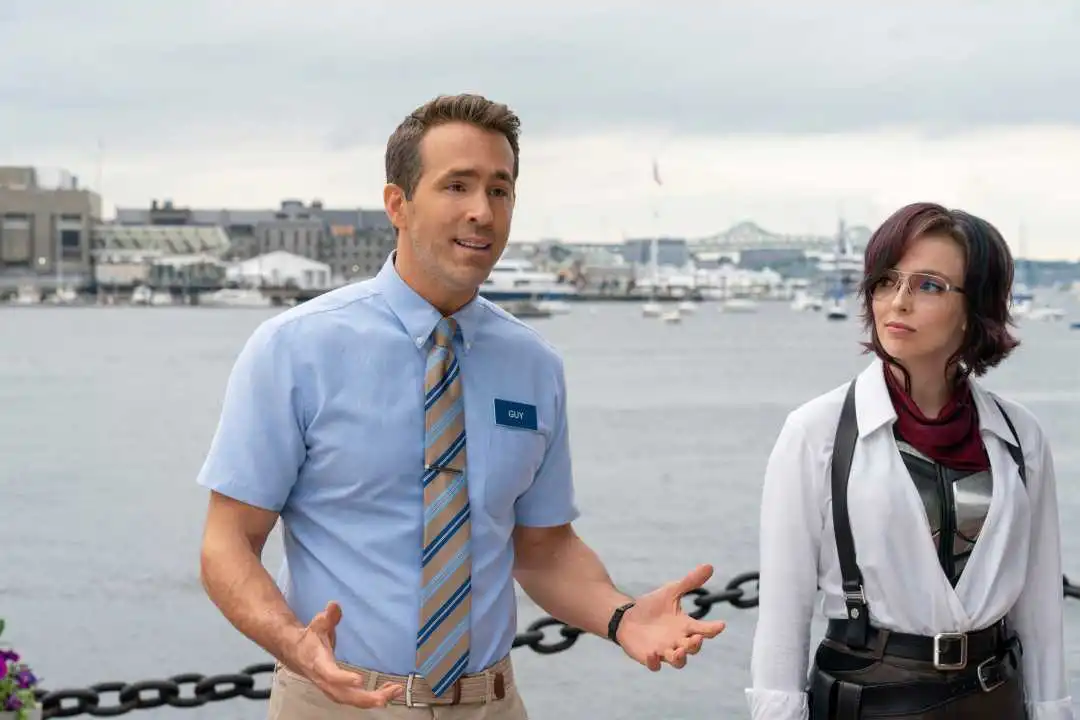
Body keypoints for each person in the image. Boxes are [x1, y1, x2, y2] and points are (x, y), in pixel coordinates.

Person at [196, 93, 726, 719]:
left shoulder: (534, 364)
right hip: (339, 702)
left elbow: (543, 548)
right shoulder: (294, 350)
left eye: (500, 190)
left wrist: (622, 616)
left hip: (492, 705)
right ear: (397, 203)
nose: (482, 211)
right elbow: (228, 542)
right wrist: (293, 643)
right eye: (457, 186)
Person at [746, 202, 1074, 720]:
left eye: (928, 286)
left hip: (995, 699)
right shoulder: (817, 432)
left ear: (975, 307)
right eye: (886, 281)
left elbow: (1039, 611)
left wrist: (1053, 712)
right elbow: (783, 614)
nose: (897, 301)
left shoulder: (1020, 436)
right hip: (869, 700)